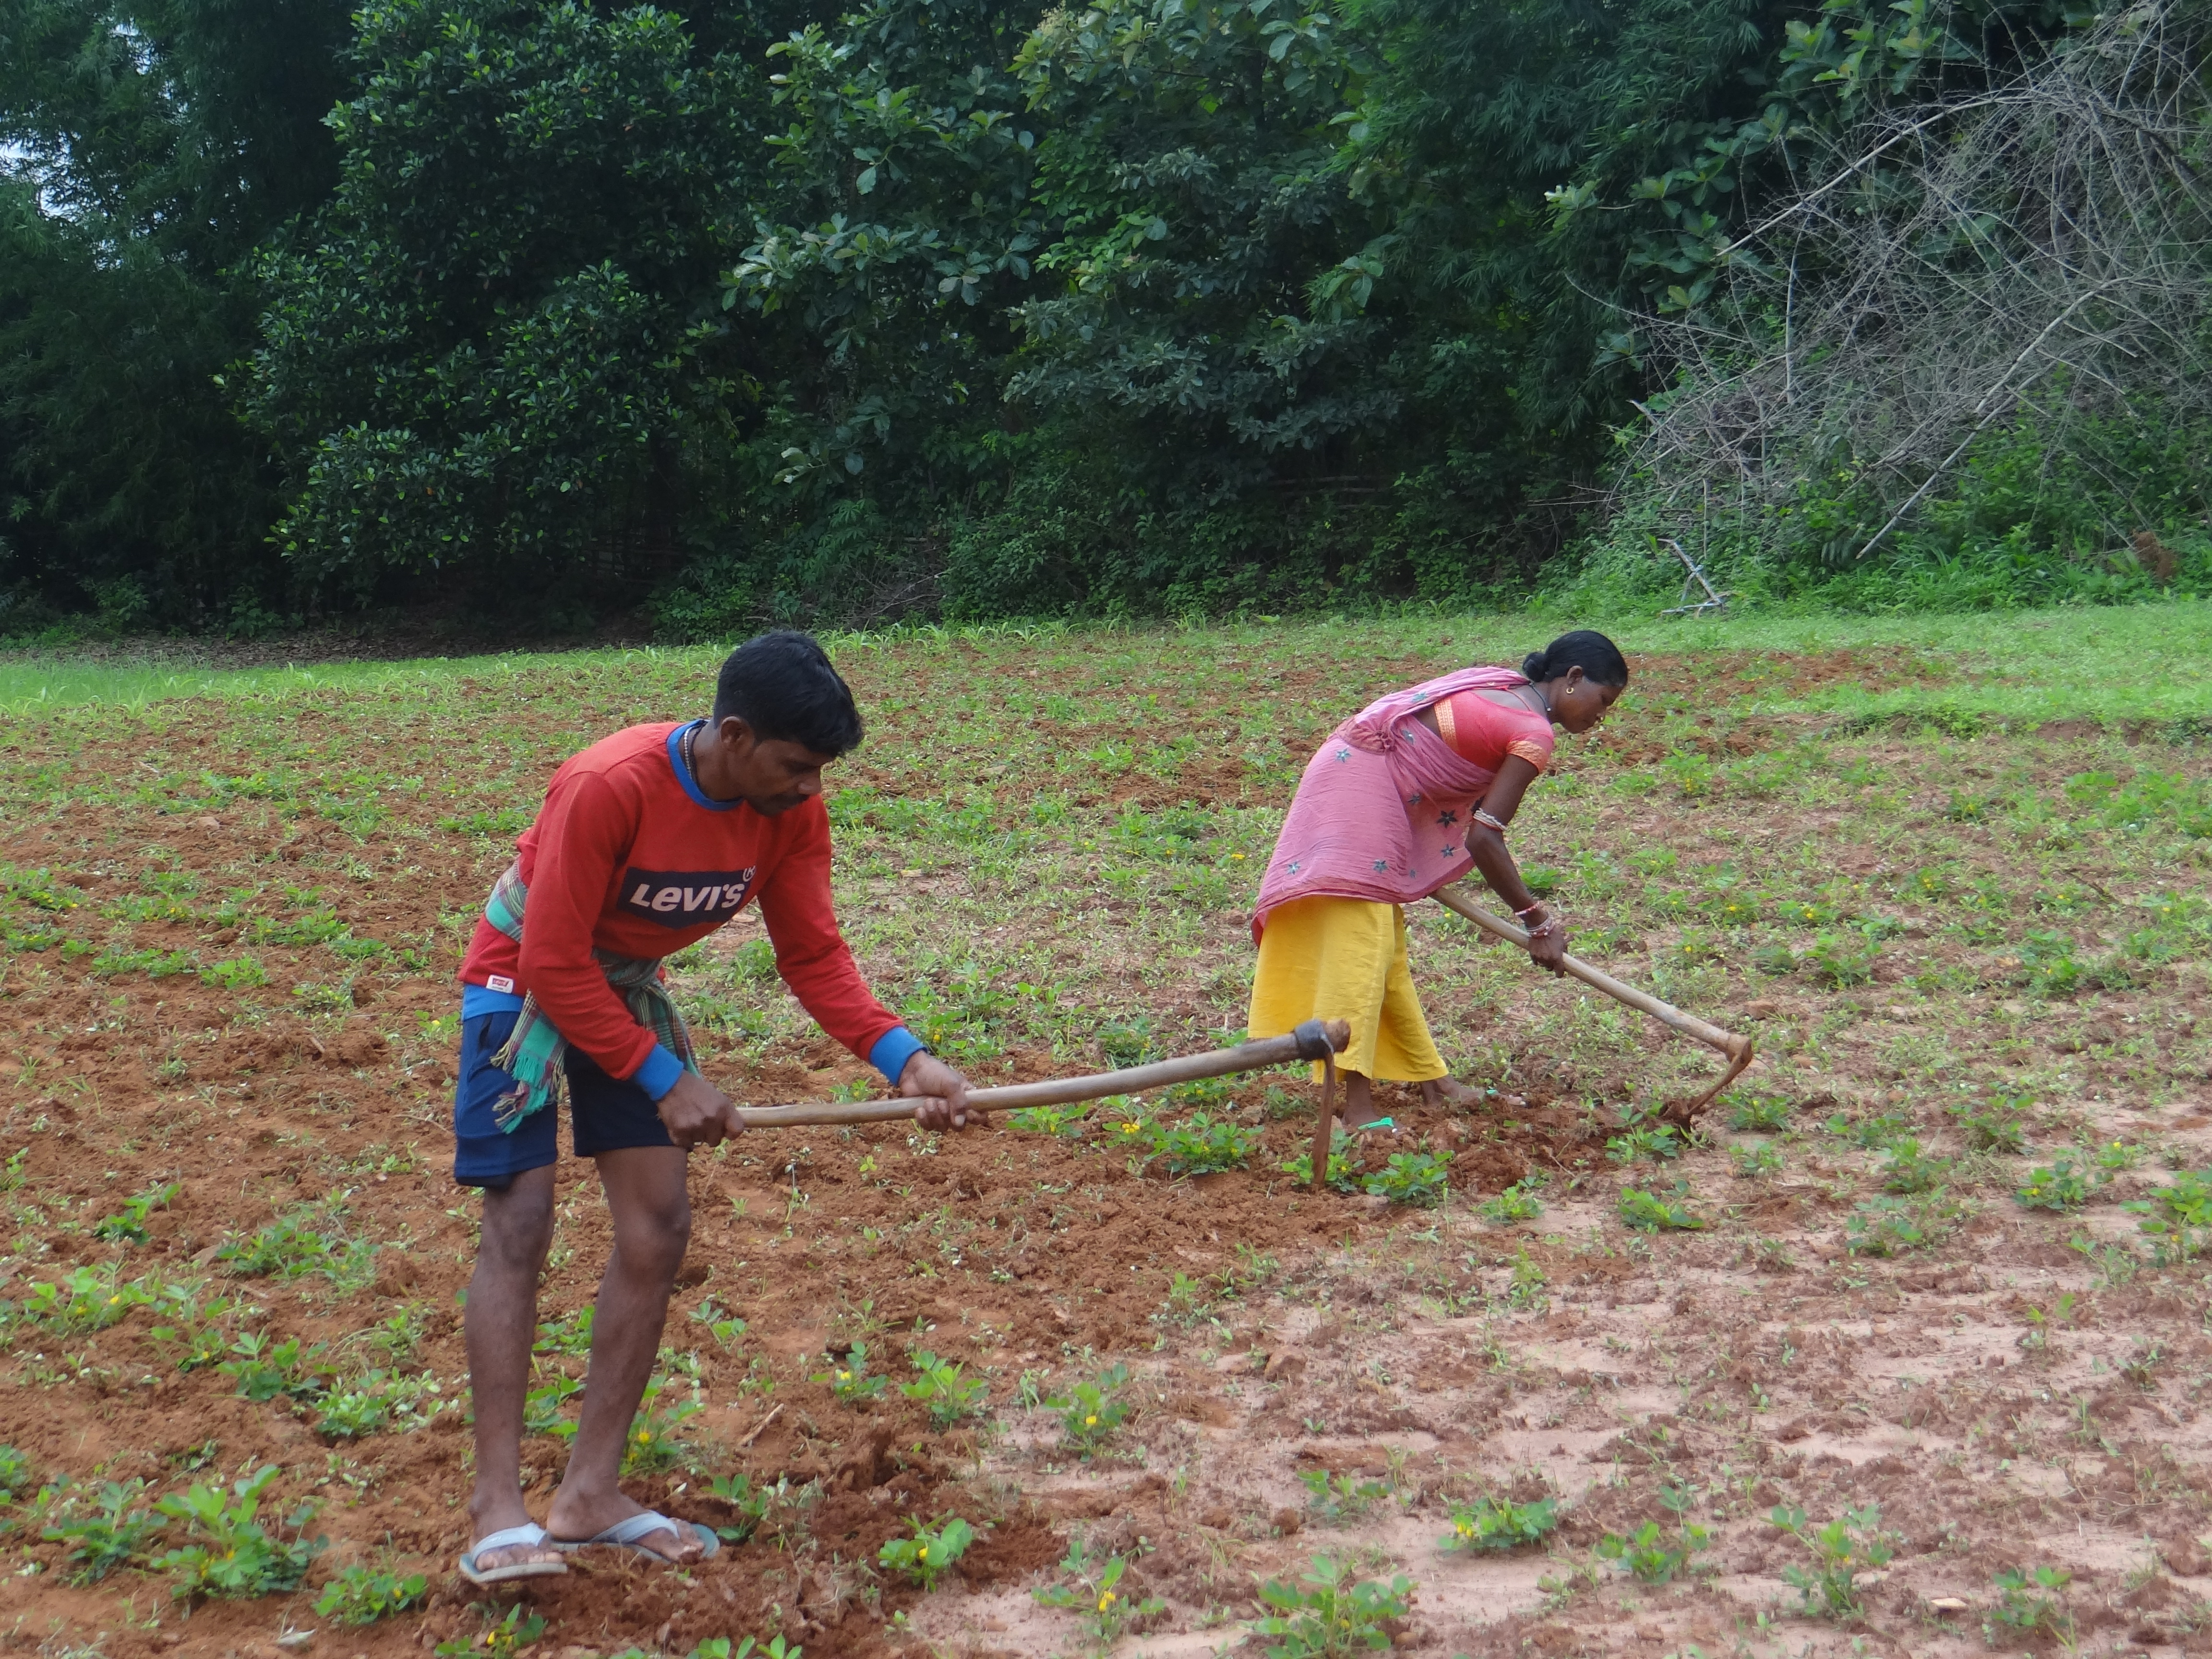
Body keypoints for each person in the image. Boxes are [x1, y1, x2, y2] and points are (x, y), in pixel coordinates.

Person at [451, 631, 974, 1587]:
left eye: (819, 771)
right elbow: (554, 964)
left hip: (623, 992)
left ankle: (590, 1497)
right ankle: (497, 1512)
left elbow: (813, 955)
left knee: (657, 1227)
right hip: (521, 978)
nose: (810, 788)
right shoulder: (608, 784)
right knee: (520, 1220)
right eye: (795, 766)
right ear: (733, 737)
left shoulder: (786, 814)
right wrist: (666, 1079)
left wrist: (906, 1061)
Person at [1247, 631, 1629, 1132]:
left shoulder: (1503, 686)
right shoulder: (1535, 733)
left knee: (1387, 945)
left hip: (1352, 769)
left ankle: (1433, 1081)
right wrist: (1537, 920)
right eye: (1603, 702)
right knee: (1361, 945)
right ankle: (1358, 1108)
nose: (1600, 718)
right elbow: (1484, 840)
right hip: (1360, 789)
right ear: (1574, 678)